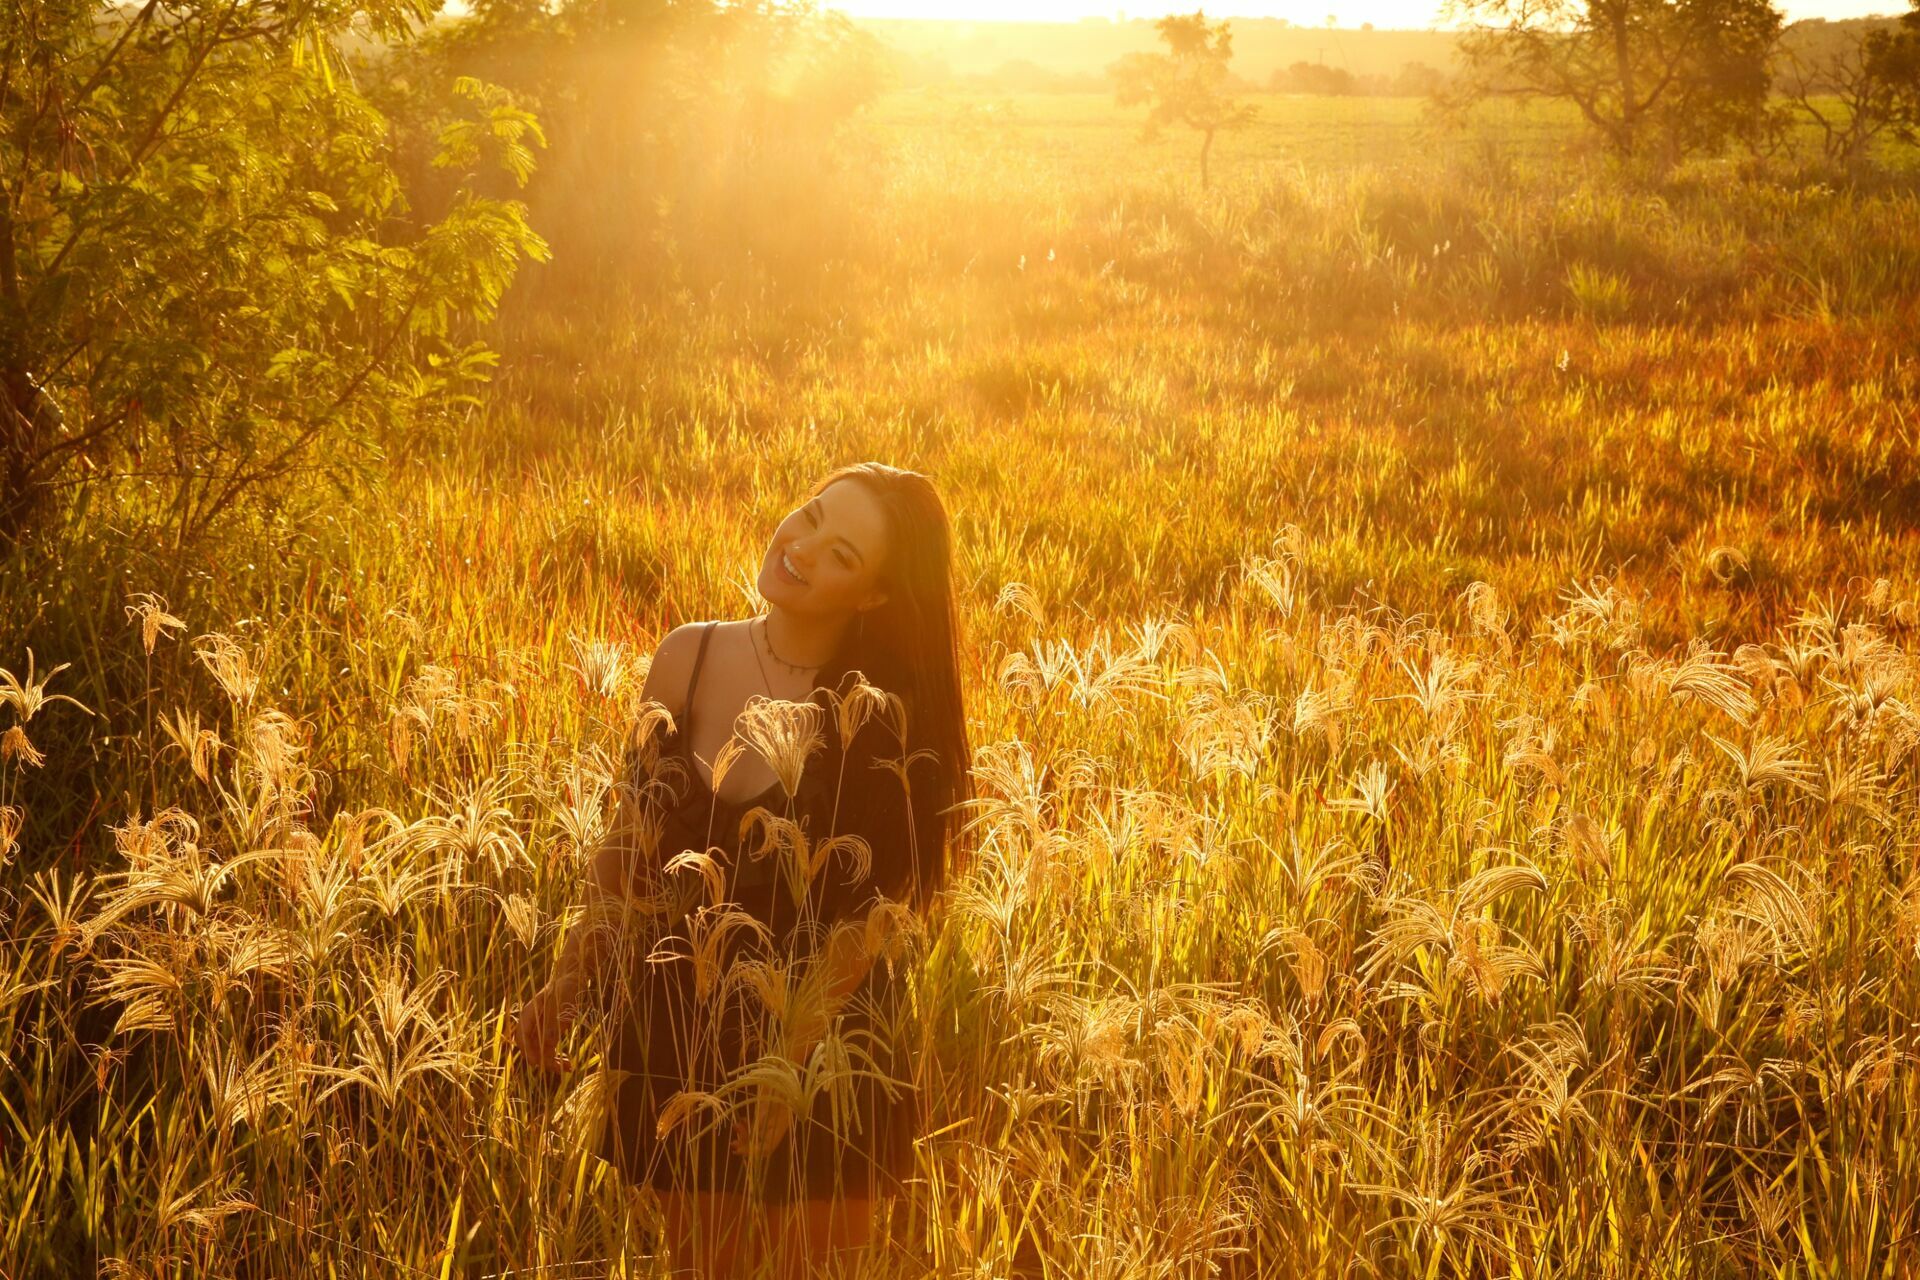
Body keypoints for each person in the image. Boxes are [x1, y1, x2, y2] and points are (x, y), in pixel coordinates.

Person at [515, 462, 973, 1278]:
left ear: (872, 596)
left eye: (841, 555)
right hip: (677, 1034)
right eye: (809, 516)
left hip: (828, 1051)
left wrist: (785, 1064)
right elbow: (627, 848)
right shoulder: (685, 657)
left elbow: (870, 921)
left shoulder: (880, 712)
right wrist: (568, 983)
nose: (800, 548)